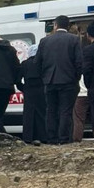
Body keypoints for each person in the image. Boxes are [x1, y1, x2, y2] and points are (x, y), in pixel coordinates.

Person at [36, 15, 82, 144]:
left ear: (55, 25)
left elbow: (37, 62)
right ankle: (64, 139)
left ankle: (52, 139)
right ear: (68, 26)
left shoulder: (44, 41)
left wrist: (44, 77)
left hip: (50, 81)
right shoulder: (74, 39)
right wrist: (76, 77)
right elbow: (79, 62)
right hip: (68, 81)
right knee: (65, 111)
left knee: (51, 110)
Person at [17, 44, 46, 144]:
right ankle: (43, 137)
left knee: (28, 115)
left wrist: (23, 88)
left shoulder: (24, 64)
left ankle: (28, 137)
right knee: (42, 113)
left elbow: (17, 80)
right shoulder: (43, 63)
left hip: (29, 90)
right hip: (42, 90)